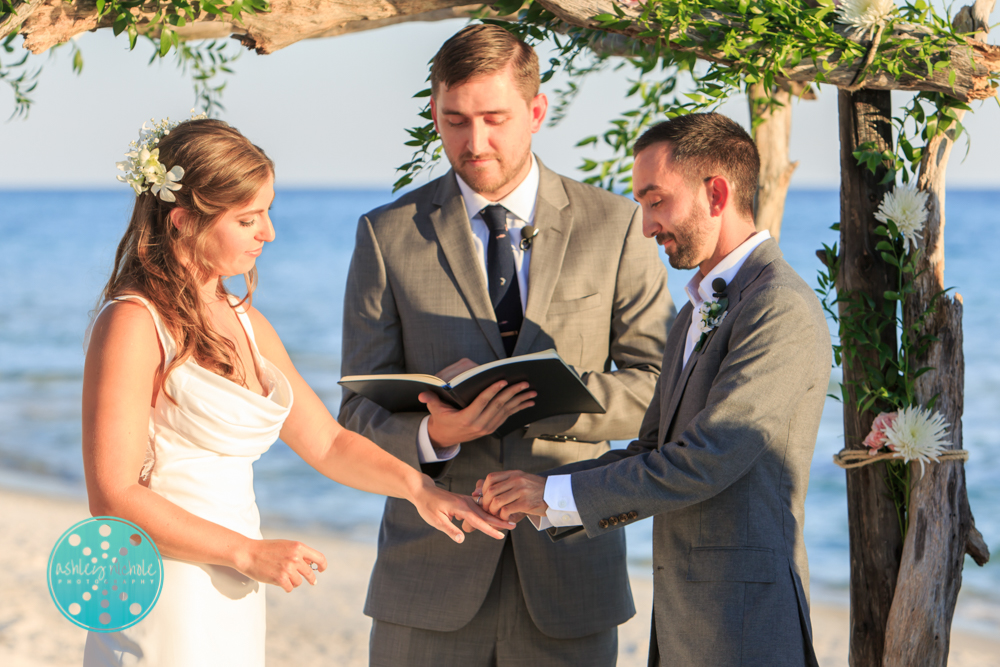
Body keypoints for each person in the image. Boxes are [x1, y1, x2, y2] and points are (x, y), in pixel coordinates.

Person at [81, 117, 511, 667]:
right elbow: (113, 496)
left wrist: (418, 490)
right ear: (184, 221)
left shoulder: (246, 321)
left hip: (235, 581)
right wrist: (247, 552)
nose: (269, 233)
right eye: (247, 218)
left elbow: (328, 443)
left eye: (268, 212)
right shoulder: (133, 323)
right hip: (165, 578)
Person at [338, 24, 673, 667]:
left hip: (571, 578)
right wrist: (440, 434)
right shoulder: (385, 235)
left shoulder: (618, 225)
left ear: (537, 111)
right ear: (434, 114)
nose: (475, 141)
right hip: (428, 580)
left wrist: (532, 399)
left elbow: (657, 386)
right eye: (454, 119)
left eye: (494, 118)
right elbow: (356, 413)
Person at [478, 112, 831, 667]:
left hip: (747, 628)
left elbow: (705, 461)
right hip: (682, 623)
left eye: (656, 200)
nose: (646, 226)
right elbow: (653, 453)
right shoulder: (697, 309)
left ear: (716, 193)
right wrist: (541, 489)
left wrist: (553, 496)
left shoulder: (778, 307)